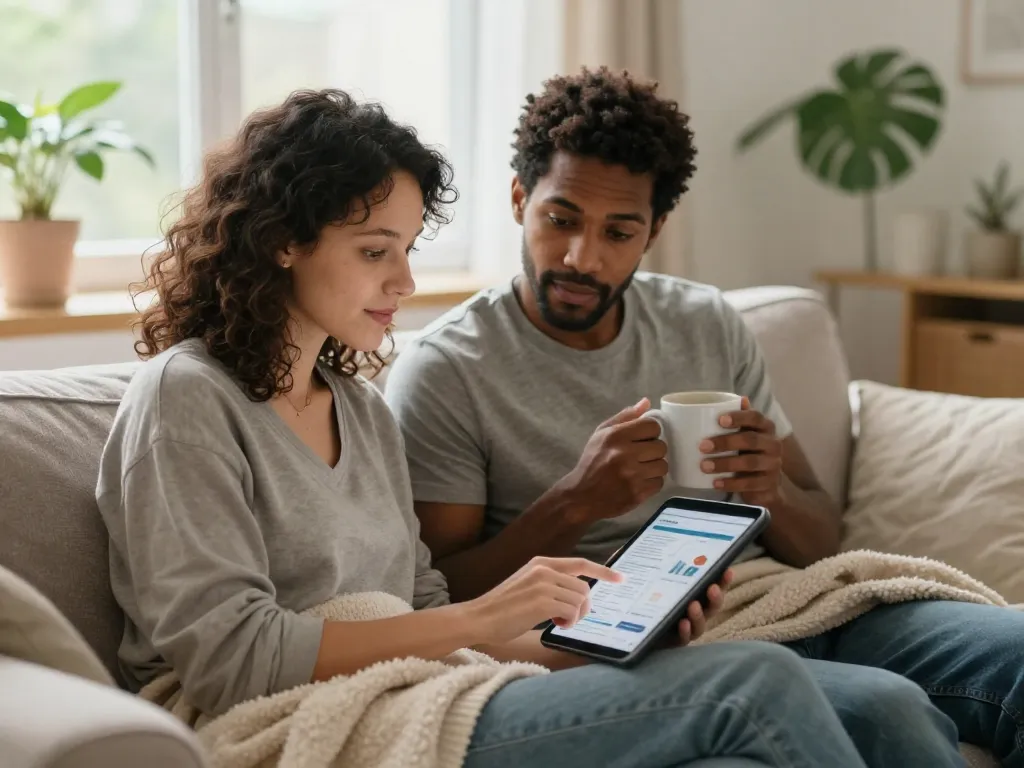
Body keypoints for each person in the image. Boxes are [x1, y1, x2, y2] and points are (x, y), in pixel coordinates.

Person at [93, 88, 869, 768]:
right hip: (271, 720)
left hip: (415, 689)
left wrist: (621, 642)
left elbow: (429, 620)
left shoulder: (358, 408)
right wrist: (482, 614)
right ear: (281, 240)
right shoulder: (187, 400)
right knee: (752, 684)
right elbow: (234, 663)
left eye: (405, 250)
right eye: (374, 251)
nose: (403, 282)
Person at [384, 67, 1024, 768]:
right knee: (885, 709)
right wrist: (574, 502)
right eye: (560, 219)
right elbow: (444, 596)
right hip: (638, 646)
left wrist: (769, 488)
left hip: (778, 600)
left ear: (655, 230)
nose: (582, 257)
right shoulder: (450, 369)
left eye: (619, 231)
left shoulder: (706, 324)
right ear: (519, 200)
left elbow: (822, 541)